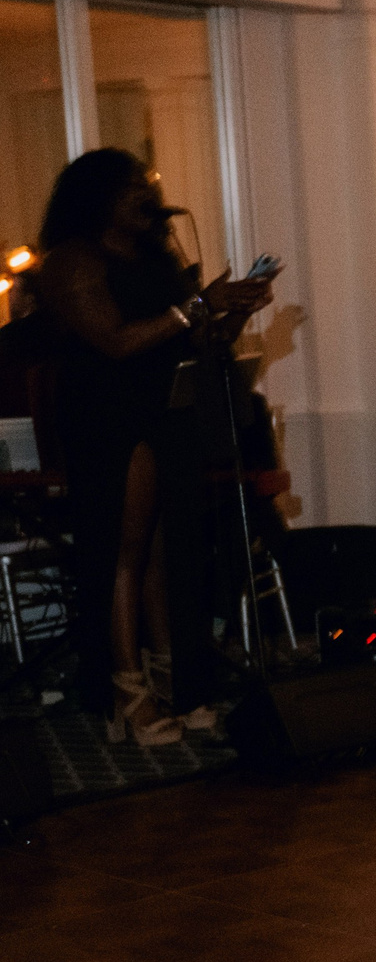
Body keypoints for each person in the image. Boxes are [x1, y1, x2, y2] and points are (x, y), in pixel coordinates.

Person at [29, 148, 271, 743]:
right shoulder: (71, 261)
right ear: (99, 198)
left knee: (168, 551)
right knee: (124, 551)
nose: (149, 197)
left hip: (167, 409)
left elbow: (197, 335)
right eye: (134, 188)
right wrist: (196, 307)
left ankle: (173, 681)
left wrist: (231, 312)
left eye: (150, 184)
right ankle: (125, 691)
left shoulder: (160, 254)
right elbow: (114, 339)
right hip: (109, 416)